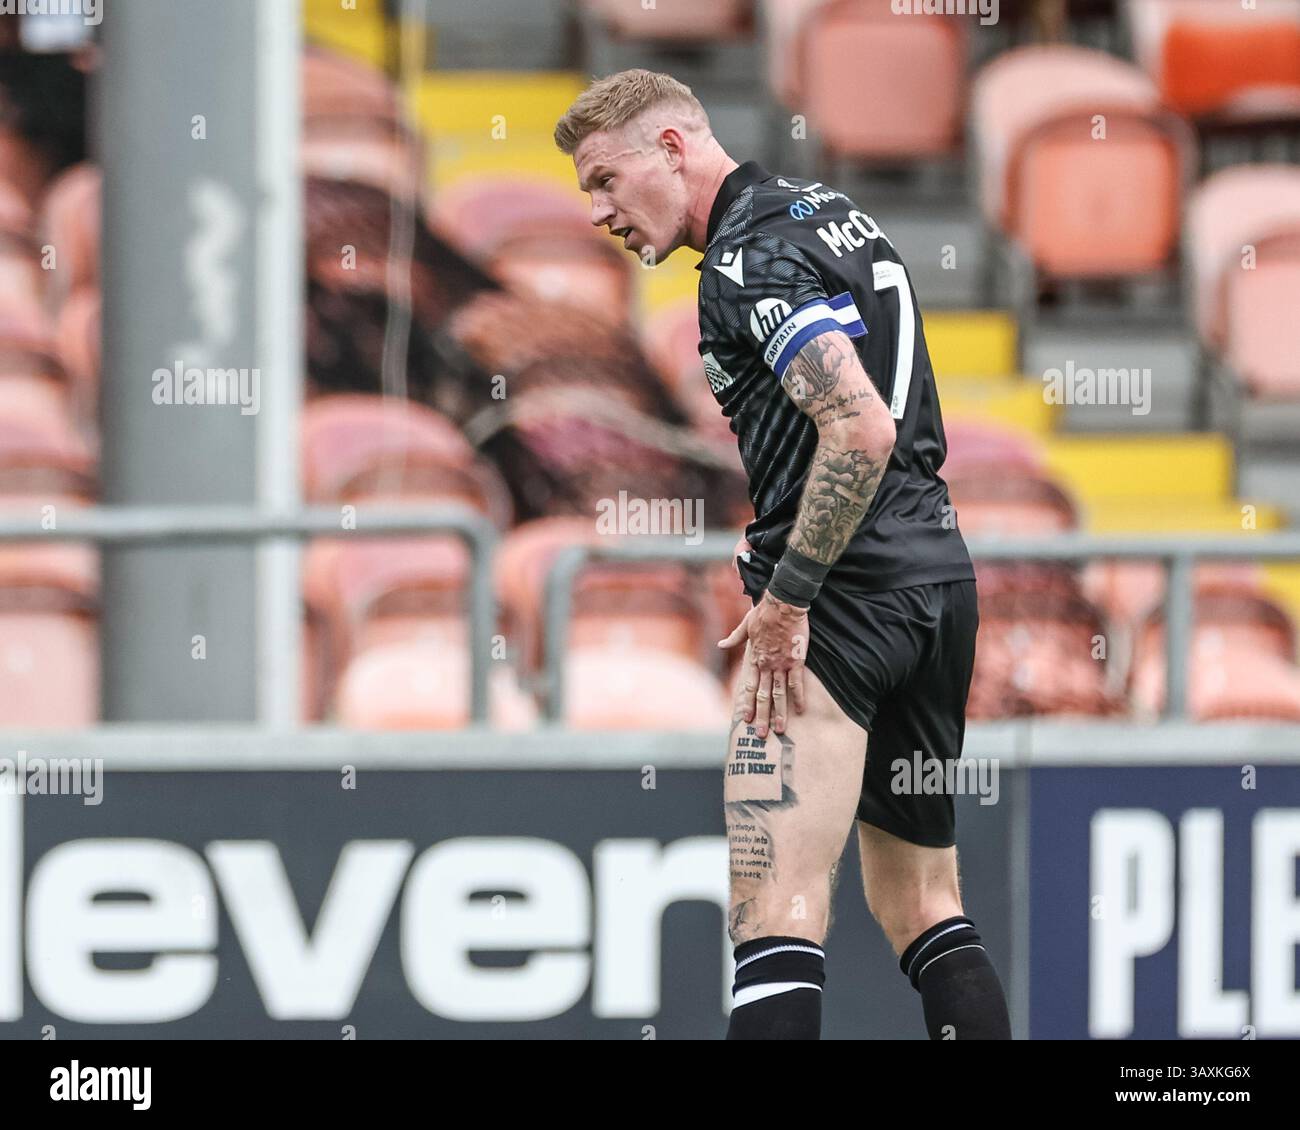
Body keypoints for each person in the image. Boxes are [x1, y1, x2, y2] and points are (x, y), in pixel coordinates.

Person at [554, 69, 1011, 1040]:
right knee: (925, 903)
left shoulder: (744, 260)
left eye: (603, 179)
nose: (597, 211)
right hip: (935, 582)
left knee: (774, 914)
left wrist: (787, 599)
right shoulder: (830, 214)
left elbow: (859, 428)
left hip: (839, 604)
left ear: (671, 149)